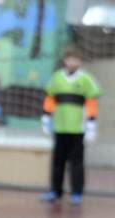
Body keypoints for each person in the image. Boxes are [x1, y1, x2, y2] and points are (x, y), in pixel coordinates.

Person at [40, 45, 101, 205]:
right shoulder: (57, 78)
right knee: (58, 161)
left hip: (77, 128)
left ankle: (76, 192)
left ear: (80, 62)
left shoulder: (85, 79)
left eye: (76, 59)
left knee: (76, 162)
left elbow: (91, 103)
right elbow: (50, 99)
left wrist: (91, 126)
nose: (72, 62)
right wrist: (46, 118)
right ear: (65, 61)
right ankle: (55, 190)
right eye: (69, 59)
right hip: (60, 127)